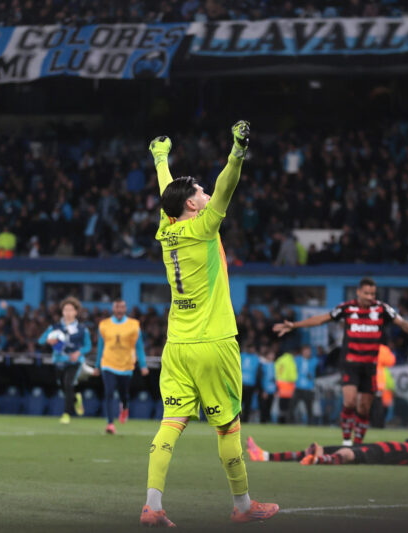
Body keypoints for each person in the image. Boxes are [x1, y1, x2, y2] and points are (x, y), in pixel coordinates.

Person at [141, 122, 278, 527]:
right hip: (214, 342)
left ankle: (151, 506)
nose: (206, 193)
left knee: (170, 425)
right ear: (193, 207)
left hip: (177, 345)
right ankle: (242, 507)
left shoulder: (167, 229)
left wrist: (160, 158)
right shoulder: (203, 227)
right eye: (199, 192)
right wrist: (237, 150)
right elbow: (228, 186)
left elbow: (168, 194)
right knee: (228, 428)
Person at [274, 278, 408, 445]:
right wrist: (294, 325)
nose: (369, 297)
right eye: (366, 293)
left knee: (364, 408)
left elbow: (403, 323)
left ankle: (357, 443)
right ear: (358, 292)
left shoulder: (382, 309)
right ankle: (346, 441)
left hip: (370, 366)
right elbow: (322, 319)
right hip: (350, 363)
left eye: (372, 294)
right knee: (350, 401)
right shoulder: (347, 308)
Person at [94, 298, 149, 435]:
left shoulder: (134, 325)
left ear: (125, 309)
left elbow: (139, 347)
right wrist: (97, 366)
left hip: (126, 365)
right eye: (117, 307)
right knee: (109, 392)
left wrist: (143, 365)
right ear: (113, 309)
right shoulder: (104, 325)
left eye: (122, 307)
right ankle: (110, 424)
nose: (119, 310)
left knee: (124, 393)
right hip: (108, 363)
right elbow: (100, 347)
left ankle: (124, 407)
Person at [38, 297, 92, 424]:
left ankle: (67, 414)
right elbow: (40, 340)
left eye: (70, 310)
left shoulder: (82, 329)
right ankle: (75, 399)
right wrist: (48, 340)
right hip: (59, 361)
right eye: (65, 309)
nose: (68, 312)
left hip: (74, 361)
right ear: (62, 312)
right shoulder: (54, 327)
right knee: (62, 386)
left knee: (68, 384)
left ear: (76, 312)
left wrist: (78, 352)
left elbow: (88, 346)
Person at [246, 436, 408, 467]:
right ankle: (265, 456)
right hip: (373, 446)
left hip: (381, 455)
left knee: (348, 454)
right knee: (317, 447)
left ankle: (319, 461)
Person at [290, 345, 317, 424]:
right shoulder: (297, 360)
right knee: (292, 406)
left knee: (309, 408)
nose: (307, 353)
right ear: (302, 352)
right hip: (298, 387)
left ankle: (310, 424)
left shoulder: (314, 361)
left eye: (308, 351)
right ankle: (290, 423)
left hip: (309, 388)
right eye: (305, 351)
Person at [274, 350, 297, 424]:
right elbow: (292, 376)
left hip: (280, 385)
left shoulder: (280, 360)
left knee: (281, 406)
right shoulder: (291, 361)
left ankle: (280, 421)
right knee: (288, 406)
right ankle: (287, 421)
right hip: (289, 387)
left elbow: (275, 371)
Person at [240, 345, 260, 422]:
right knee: (238, 404)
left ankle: (245, 420)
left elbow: (258, 373)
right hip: (241, 384)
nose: (252, 349)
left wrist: (257, 386)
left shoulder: (256, 358)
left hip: (251, 385)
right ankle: (236, 420)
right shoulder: (242, 356)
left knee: (248, 404)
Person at [259, 349, 276, 424]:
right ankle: (263, 421)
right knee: (263, 407)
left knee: (269, 407)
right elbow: (261, 378)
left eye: (273, 354)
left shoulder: (275, 365)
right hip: (265, 390)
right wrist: (263, 390)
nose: (272, 356)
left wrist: (276, 390)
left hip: (272, 389)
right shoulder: (263, 365)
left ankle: (268, 421)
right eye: (270, 354)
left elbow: (276, 378)